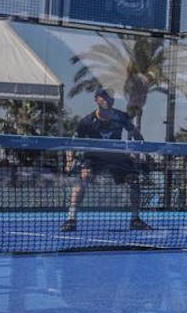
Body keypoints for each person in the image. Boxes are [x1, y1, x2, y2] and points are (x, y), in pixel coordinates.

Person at [61, 88, 150, 232]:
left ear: (113, 101)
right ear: (96, 100)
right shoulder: (87, 121)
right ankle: (71, 219)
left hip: (116, 156)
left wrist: (143, 152)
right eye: (103, 97)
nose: (107, 99)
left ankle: (135, 219)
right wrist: (69, 161)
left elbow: (136, 135)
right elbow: (72, 143)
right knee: (83, 179)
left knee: (133, 180)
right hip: (94, 156)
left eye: (109, 97)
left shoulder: (121, 117)